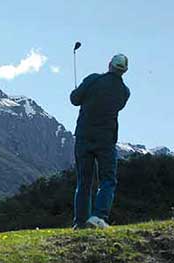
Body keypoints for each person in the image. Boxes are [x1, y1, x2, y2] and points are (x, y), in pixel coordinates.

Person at [70, 54, 130, 229]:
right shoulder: (124, 92)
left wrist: (78, 92)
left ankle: (80, 222)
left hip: (84, 136)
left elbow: (75, 99)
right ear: (124, 70)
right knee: (107, 180)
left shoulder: (93, 80)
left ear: (109, 64)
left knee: (84, 181)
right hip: (106, 139)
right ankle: (98, 216)